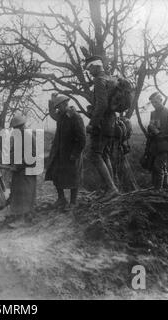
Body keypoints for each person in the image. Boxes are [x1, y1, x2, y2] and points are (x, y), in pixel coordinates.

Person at [84, 55, 119, 200]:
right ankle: (110, 187)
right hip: (111, 122)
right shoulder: (111, 78)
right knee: (104, 154)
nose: (89, 71)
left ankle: (111, 188)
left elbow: (102, 105)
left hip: (102, 123)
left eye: (90, 68)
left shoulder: (99, 80)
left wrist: (92, 123)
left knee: (95, 155)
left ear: (96, 66)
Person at [45, 95, 86, 210]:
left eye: (59, 107)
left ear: (65, 104)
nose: (58, 109)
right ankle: (61, 198)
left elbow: (82, 139)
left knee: (74, 177)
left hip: (72, 154)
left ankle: (73, 202)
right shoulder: (62, 116)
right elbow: (53, 114)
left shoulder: (75, 117)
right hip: (61, 153)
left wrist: (75, 154)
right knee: (56, 173)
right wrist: (51, 102)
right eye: (56, 107)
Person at [7, 114, 37, 228]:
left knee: (24, 194)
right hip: (21, 169)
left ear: (21, 126)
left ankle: (21, 220)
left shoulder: (28, 136)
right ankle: (28, 216)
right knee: (21, 193)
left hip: (26, 169)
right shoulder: (20, 136)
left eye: (16, 128)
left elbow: (32, 155)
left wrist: (18, 166)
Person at [147, 92, 168, 189]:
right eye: (152, 103)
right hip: (154, 144)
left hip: (165, 144)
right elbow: (151, 126)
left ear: (161, 100)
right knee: (162, 166)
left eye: (156, 102)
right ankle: (166, 186)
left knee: (158, 166)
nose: (154, 104)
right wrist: (151, 128)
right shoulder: (153, 113)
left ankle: (158, 190)